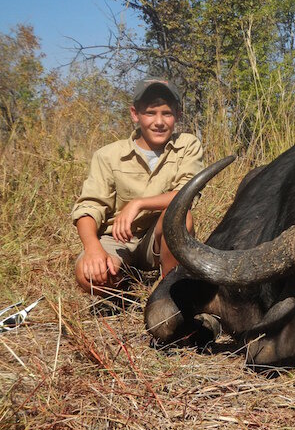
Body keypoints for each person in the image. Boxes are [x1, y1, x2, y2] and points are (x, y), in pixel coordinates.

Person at [72, 77, 204, 296]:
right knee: (87, 275)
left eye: (167, 113)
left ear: (177, 115)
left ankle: (167, 290)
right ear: (135, 114)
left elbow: (187, 194)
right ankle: (123, 281)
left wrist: (139, 204)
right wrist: (93, 248)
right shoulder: (107, 155)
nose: (159, 122)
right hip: (115, 239)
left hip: (157, 240)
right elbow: (89, 208)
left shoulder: (187, 144)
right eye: (150, 113)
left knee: (181, 215)